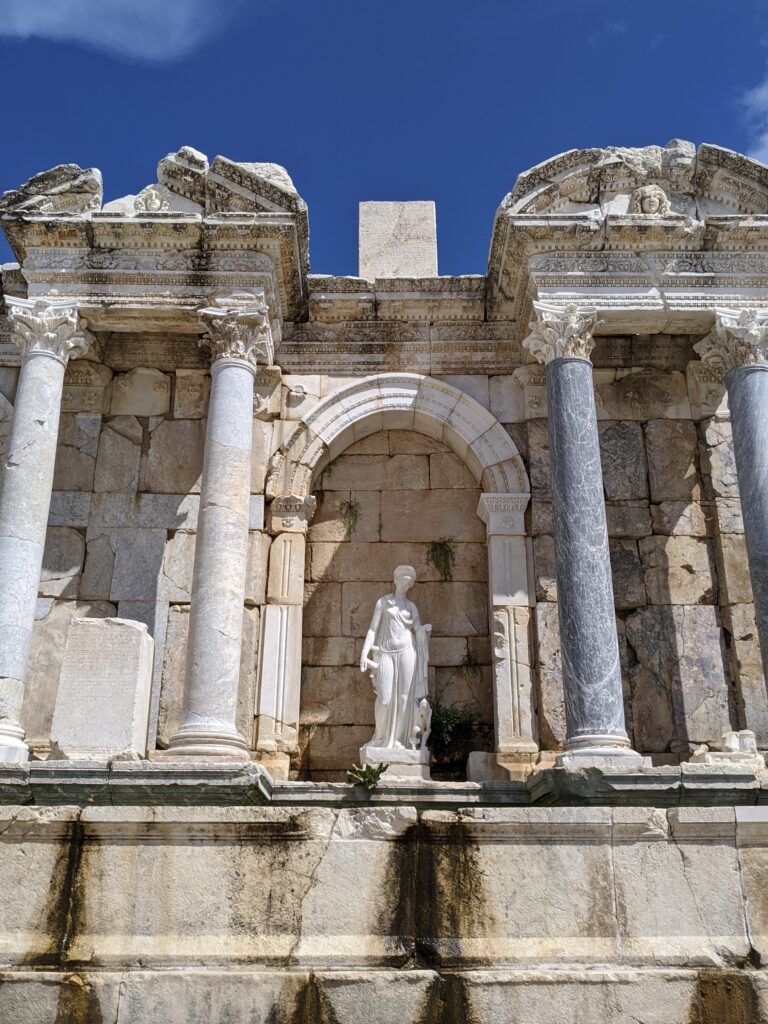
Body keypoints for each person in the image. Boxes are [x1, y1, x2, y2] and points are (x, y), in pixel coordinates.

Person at [360, 565, 432, 750]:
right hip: (386, 653)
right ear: (395, 580)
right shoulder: (383, 603)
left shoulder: (411, 607)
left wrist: (424, 631)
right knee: (384, 698)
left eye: (408, 582)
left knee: (404, 698)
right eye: (402, 580)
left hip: (408, 652)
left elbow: (417, 630)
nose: (404, 585)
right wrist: (364, 652)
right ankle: (380, 737)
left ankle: (399, 740)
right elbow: (372, 629)